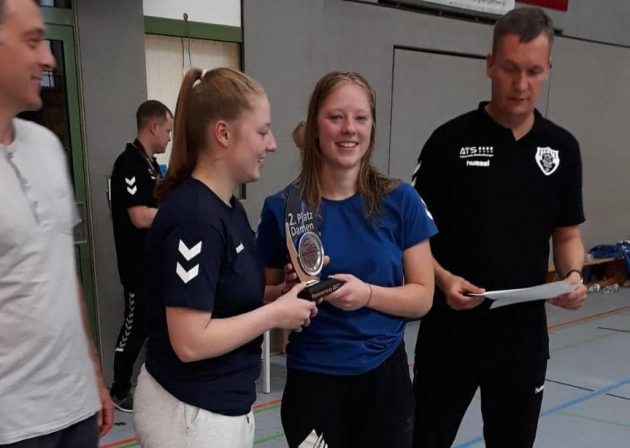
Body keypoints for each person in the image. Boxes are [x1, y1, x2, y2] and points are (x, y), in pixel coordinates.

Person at [411, 7, 588, 448]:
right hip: (449, 334)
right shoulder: (448, 142)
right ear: (489, 64)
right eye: (510, 68)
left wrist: (573, 275)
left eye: (533, 71)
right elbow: (408, 238)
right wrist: (443, 279)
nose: (521, 84)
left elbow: (568, 235)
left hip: (521, 342)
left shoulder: (562, 149)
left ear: (548, 69)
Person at [132, 67, 318, 448]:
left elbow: (221, 296)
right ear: (223, 133)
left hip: (223, 406)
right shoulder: (195, 217)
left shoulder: (229, 209)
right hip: (190, 412)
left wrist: (280, 294)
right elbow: (189, 341)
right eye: (262, 132)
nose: (273, 145)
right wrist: (276, 314)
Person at [257, 71, 436, 448]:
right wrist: (285, 293)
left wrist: (367, 294)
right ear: (315, 126)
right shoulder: (283, 208)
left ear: (372, 126)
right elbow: (261, 296)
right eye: (336, 117)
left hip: (384, 382)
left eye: (360, 118)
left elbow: (422, 297)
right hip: (313, 383)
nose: (349, 129)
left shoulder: (401, 201)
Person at [0, 0, 113, 445]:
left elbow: (62, 271)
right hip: (14, 425)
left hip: (76, 408)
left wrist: (93, 371)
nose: (48, 58)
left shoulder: (46, 145)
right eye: (33, 41)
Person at [109, 99, 173, 412]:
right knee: (134, 326)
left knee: (154, 324)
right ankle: (119, 388)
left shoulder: (151, 165)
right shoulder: (129, 164)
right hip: (136, 266)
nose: (169, 138)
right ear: (154, 126)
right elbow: (138, 216)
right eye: (168, 131)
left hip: (154, 263)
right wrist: (176, 214)